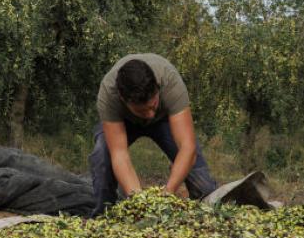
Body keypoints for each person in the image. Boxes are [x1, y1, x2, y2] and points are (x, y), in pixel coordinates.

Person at [88, 54, 217, 216]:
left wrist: (168, 192)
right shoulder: (109, 94)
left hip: (165, 120)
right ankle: (104, 214)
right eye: (142, 110)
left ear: (157, 87)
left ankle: (204, 213)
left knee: (204, 186)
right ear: (123, 99)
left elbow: (187, 148)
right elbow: (119, 154)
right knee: (102, 154)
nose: (149, 115)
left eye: (153, 106)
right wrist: (139, 201)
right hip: (124, 123)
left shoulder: (170, 82)